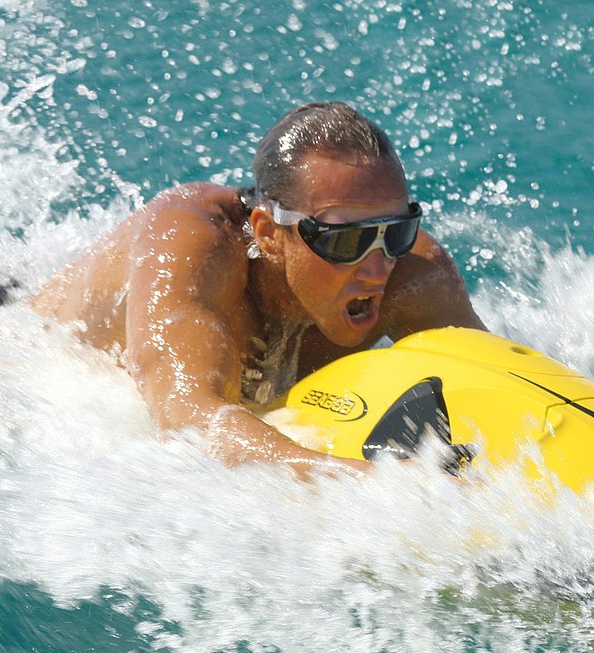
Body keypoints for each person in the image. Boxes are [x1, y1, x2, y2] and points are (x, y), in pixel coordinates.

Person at [33, 101, 486, 477]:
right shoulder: (195, 253)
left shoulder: (413, 273)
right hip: (3, 339)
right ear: (269, 234)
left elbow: (495, 377)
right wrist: (364, 482)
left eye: (397, 230)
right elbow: (188, 420)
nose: (378, 265)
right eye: (345, 239)